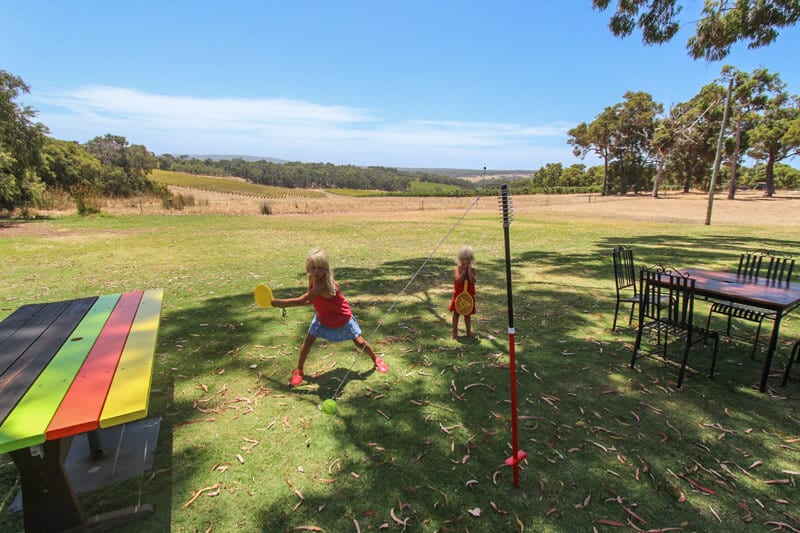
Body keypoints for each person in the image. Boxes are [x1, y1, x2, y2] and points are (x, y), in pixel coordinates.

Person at [272, 247, 388, 386]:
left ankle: (376, 359)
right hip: (322, 316)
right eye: (313, 267)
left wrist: (279, 303)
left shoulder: (324, 284)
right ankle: (299, 370)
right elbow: (310, 300)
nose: (316, 271)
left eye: (320, 268)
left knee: (359, 342)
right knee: (308, 341)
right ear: (308, 266)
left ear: (326, 269)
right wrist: (288, 304)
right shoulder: (312, 277)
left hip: (340, 316)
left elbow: (303, 299)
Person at [449, 245, 477, 339]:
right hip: (458, 295)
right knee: (456, 313)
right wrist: (464, 271)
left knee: (467, 314)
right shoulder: (457, 269)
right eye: (464, 259)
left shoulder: (473, 269)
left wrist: (469, 271)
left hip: (468, 295)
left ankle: (468, 332)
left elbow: (472, 281)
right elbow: (459, 280)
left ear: (471, 259)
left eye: (468, 259)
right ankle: (454, 332)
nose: (466, 261)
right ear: (460, 259)